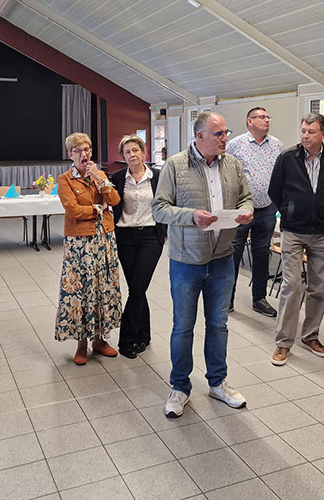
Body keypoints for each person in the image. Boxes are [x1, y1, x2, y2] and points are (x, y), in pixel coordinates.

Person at [152, 111, 253, 418]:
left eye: (226, 133)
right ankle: (180, 387)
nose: (225, 139)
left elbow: (246, 197)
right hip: (186, 261)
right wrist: (191, 216)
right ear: (200, 136)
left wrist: (247, 210)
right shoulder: (175, 165)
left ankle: (217, 383)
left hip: (222, 258)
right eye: (219, 134)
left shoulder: (232, 164)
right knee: (183, 327)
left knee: (218, 325)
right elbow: (159, 209)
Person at [268, 113, 324, 366]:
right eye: (303, 131)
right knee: (291, 286)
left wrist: (320, 207)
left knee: (319, 288)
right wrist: (290, 209)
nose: (306, 136)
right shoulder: (287, 157)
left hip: (322, 232)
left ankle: (311, 336)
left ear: (323, 134)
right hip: (293, 230)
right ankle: (283, 342)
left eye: (311, 131)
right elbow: (274, 190)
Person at [55, 132, 122, 365]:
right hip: (79, 244)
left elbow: (114, 200)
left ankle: (100, 340)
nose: (84, 154)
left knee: (103, 289)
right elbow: (73, 210)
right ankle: (81, 343)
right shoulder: (65, 180)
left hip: (104, 240)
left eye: (87, 150)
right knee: (82, 291)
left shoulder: (99, 174)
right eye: (78, 151)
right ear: (70, 154)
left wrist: (100, 180)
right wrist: (98, 209)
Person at [226, 107, 285, 317]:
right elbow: (225, 174)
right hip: (241, 208)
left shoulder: (277, 145)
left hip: (267, 208)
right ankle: (227, 300)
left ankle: (259, 299)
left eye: (268, 117)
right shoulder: (235, 145)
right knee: (234, 253)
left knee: (262, 253)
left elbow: (280, 175)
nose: (266, 120)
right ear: (249, 121)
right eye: (261, 117)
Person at [112, 135, 166, 359]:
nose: (132, 154)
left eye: (135, 150)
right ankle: (144, 335)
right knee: (137, 288)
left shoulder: (158, 176)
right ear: (122, 156)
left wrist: (167, 231)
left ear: (143, 152)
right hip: (125, 236)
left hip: (150, 237)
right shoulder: (117, 178)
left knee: (137, 287)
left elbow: (168, 202)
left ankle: (126, 340)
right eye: (127, 152)